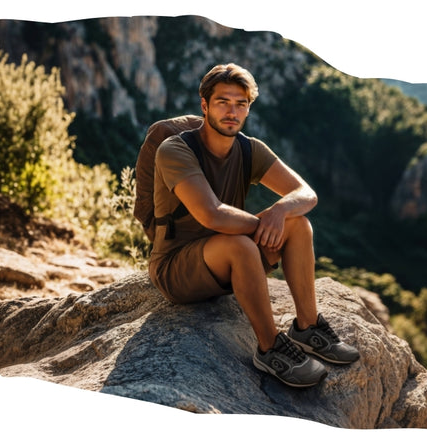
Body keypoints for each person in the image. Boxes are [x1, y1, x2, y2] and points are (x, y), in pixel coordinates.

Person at [147, 63, 359, 388]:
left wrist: (279, 211)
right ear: (204, 105)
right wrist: (262, 228)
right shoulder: (176, 149)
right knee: (242, 244)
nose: (232, 111)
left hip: (228, 262)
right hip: (178, 269)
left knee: (297, 224)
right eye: (223, 102)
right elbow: (212, 214)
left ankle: (307, 327)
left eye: (241, 104)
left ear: (248, 108)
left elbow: (306, 193)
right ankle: (269, 347)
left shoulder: (249, 149)